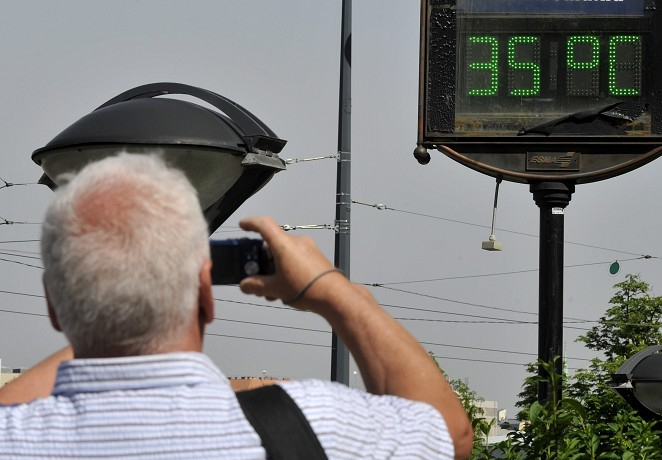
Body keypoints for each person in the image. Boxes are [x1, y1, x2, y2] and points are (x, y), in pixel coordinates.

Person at [0, 153, 473, 459]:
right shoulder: (318, 429)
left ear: (54, 306)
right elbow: (449, 434)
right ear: (205, 294)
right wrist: (334, 291)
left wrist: (105, 300)